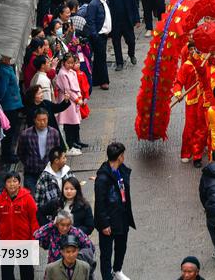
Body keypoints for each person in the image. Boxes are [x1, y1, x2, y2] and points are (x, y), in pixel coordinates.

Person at [94, 142, 135, 280]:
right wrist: (104, 224)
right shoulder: (103, 178)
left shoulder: (121, 170)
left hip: (122, 216)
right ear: (120, 157)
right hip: (109, 221)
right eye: (123, 155)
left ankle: (117, 270)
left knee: (121, 246)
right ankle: (107, 276)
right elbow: (99, 203)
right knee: (106, 253)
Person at [0, 173, 38, 280]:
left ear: (19, 183)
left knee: (27, 271)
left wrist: (34, 239)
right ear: (5, 184)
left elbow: (34, 220)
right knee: (6, 273)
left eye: (15, 181)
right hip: (6, 243)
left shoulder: (28, 198)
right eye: (9, 181)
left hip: (24, 242)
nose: (12, 184)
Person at [17, 108, 62, 194]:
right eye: (39, 120)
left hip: (49, 172)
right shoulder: (26, 134)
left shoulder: (54, 133)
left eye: (45, 120)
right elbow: (21, 152)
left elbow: (57, 151)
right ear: (34, 120)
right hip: (31, 173)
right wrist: (28, 163)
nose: (42, 123)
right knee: (32, 198)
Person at [107, 0, 139, 69]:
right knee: (116, 43)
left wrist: (136, 19)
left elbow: (134, 6)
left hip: (127, 21)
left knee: (131, 41)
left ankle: (131, 54)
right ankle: (119, 62)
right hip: (115, 22)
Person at [54, 54, 85, 153]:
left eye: (72, 63)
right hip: (67, 99)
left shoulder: (72, 72)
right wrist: (77, 99)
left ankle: (77, 140)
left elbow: (77, 86)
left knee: (75, 121)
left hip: (74, 99)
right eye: (69, 63)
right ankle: (71, 142)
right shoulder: (62, 74)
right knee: (69, 122)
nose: (71, 65)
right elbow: (67, 90)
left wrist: (79, 96)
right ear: (63, 63)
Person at [84, 0, 112, 90]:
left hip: (104, 34)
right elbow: (91, 22)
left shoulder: (105, 1)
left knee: (99, 58)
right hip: (98, 35)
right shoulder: (93, 4)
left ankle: (95, 80)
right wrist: (95, 35)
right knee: (101, 58)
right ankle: (104, 81)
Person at [34, 146, 70, 224]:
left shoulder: (67, 172)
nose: (65, 160)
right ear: (56, 160)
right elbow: (38, 205)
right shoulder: (44, 179)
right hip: (53, 222)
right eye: (63, 158)